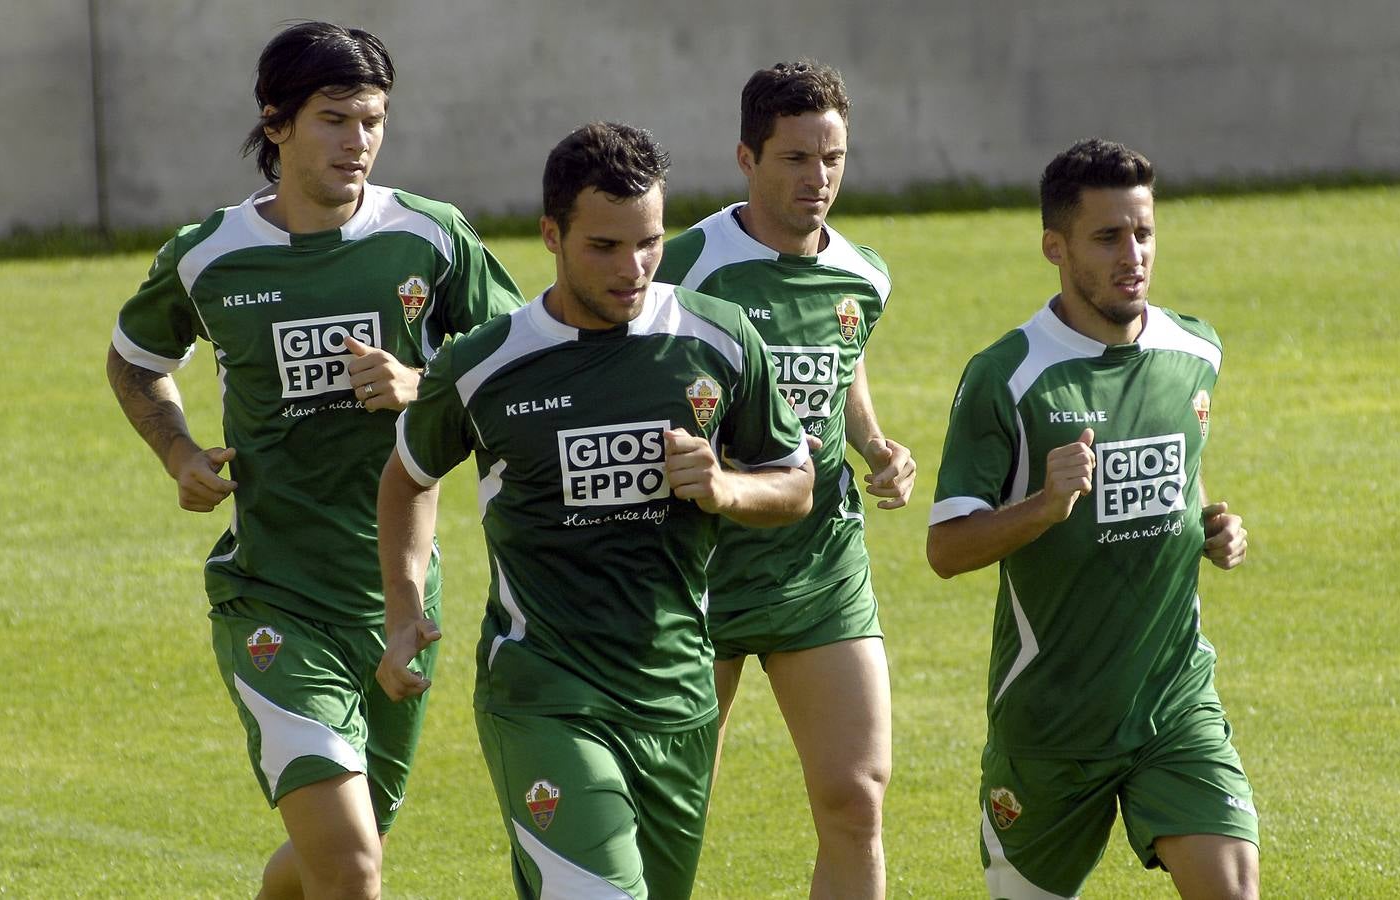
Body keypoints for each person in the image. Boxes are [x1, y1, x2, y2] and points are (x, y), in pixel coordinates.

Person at [105, 21, 523, 899]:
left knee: (338, 851)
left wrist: (421, 382)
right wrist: (177, 448)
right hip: (272, 596)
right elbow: (136, 360)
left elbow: (519, 370)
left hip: (401, 601)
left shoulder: (431, 238)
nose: (358, 142)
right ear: (276, 122)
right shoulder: (209, 255)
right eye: (335, 119)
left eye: (372, 121)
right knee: (353, 864)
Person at [374, 121, 814, 899]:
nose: (633, 268)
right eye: (604, 247)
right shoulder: (484, 363)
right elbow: (408, 476)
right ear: (551, 234)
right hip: (545, 691)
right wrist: (405, 609)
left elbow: (795, 483)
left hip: (679, 694)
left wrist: (724, 490)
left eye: (648, 242)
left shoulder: (717, 338)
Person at [926, 138, 1259, 900]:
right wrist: (1044, 507)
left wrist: (1208, 525)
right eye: (1107, 237)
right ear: (1056, 246)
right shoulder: (1007, 376)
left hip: (1171, 701)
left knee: (1233, 887)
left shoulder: (1194, 350)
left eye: (1143, 233)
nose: (1131, 255)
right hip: (1049, 725)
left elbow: (1178, 473)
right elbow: (946, 549)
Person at [654, 59, 913, 898]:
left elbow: (844, 370)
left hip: (823, 567)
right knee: (673, 809)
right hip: (699, 571)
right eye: (797, 158)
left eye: (833, 157)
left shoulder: (863, 275)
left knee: (856, 798)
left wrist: (873, 444)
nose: (820, 178)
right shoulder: (685, 266)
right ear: (746, 158)